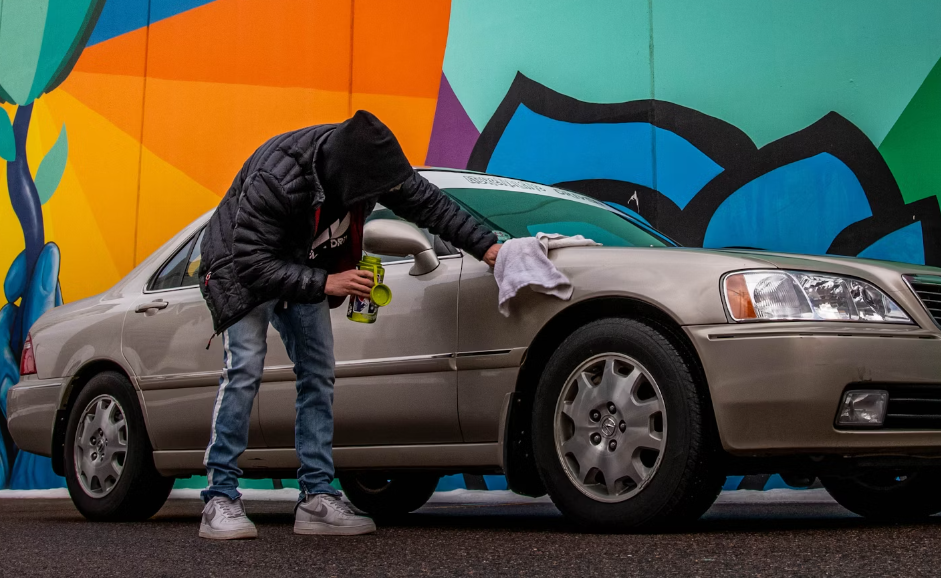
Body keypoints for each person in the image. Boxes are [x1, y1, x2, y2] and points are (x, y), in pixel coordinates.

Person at [195, 111, 501, 539]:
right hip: (242, 266)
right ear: (344, 178)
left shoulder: (369, 162)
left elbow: (431, 205)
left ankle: (316, 498)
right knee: (245, 367)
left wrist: (491, 249)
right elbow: (252, 262)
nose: (374, 201)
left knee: (318, 373)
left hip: (302, 262)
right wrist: (328, 281)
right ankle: (220, 496)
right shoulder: (279, 176)